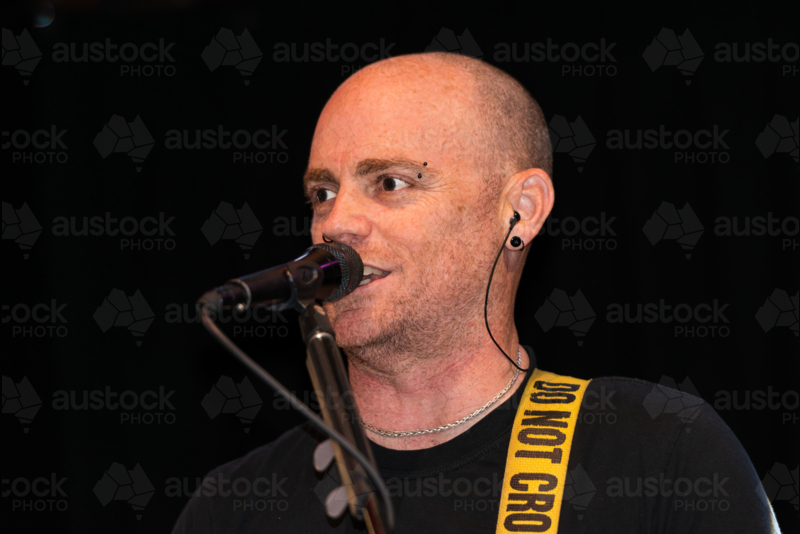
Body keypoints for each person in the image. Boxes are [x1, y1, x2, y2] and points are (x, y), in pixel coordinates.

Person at [173, 52, 778, 533]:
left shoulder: (659, 450)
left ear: (521, 210)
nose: (336, 224)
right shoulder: (234, 506)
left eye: (390, 183)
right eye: (322, 194)